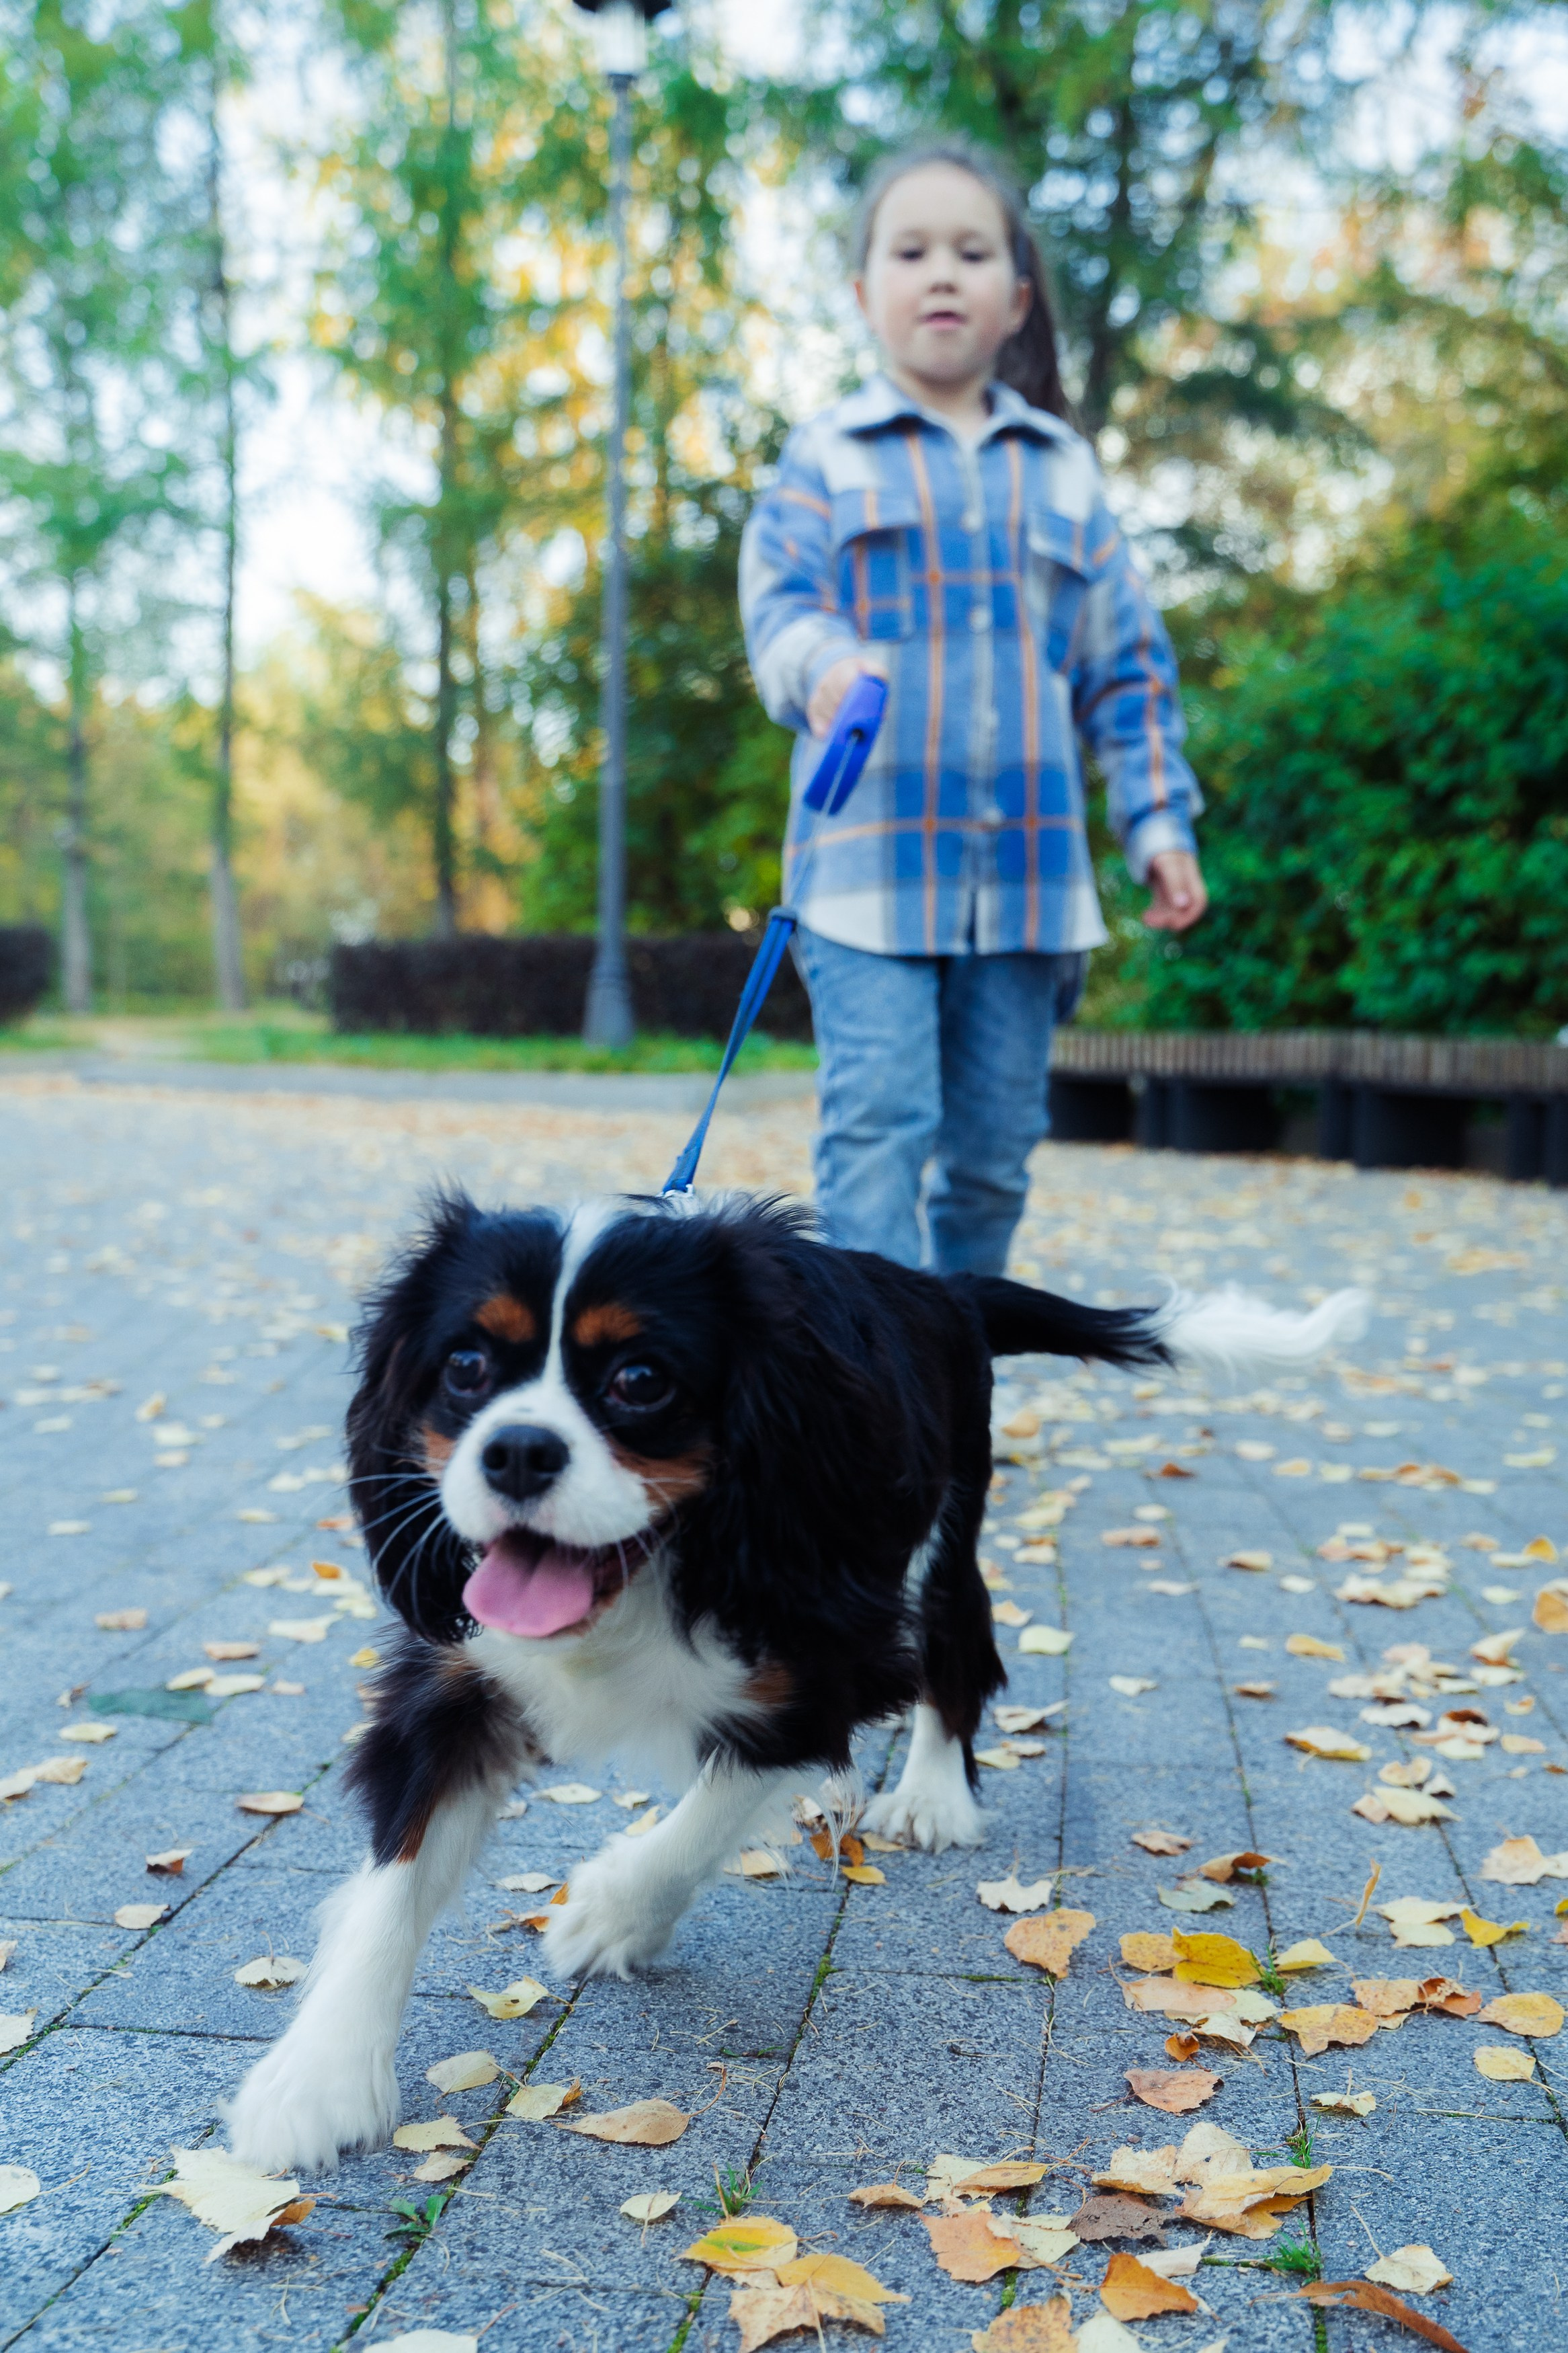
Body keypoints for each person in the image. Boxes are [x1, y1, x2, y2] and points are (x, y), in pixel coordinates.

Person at [739, 139, 1208, 1277]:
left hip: (1030, 884)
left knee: (994, 1155)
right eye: (910, 252)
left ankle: (956, 1370)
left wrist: (1155, 820)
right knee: (877, 1130)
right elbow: (779, 604)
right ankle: (870, 1381)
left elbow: (1126, 667)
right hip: (865, 875)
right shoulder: (823, 455)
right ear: (864, 294)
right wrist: (823, 665)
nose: (941, 273)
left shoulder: (1062, 470)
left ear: (1017, 298)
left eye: (971, 251)